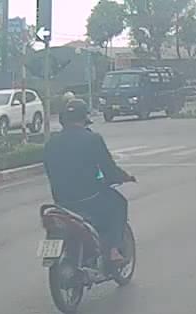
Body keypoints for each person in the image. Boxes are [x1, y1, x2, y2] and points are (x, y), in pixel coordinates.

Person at [43, 99, 135, 266]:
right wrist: (124, 177)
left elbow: (49, 170)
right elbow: (109, 169)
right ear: (84, 118)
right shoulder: (93, 139)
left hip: (61, 202)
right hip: (89, 199)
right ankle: (114, 251)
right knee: (119, 203)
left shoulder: (51, 143)